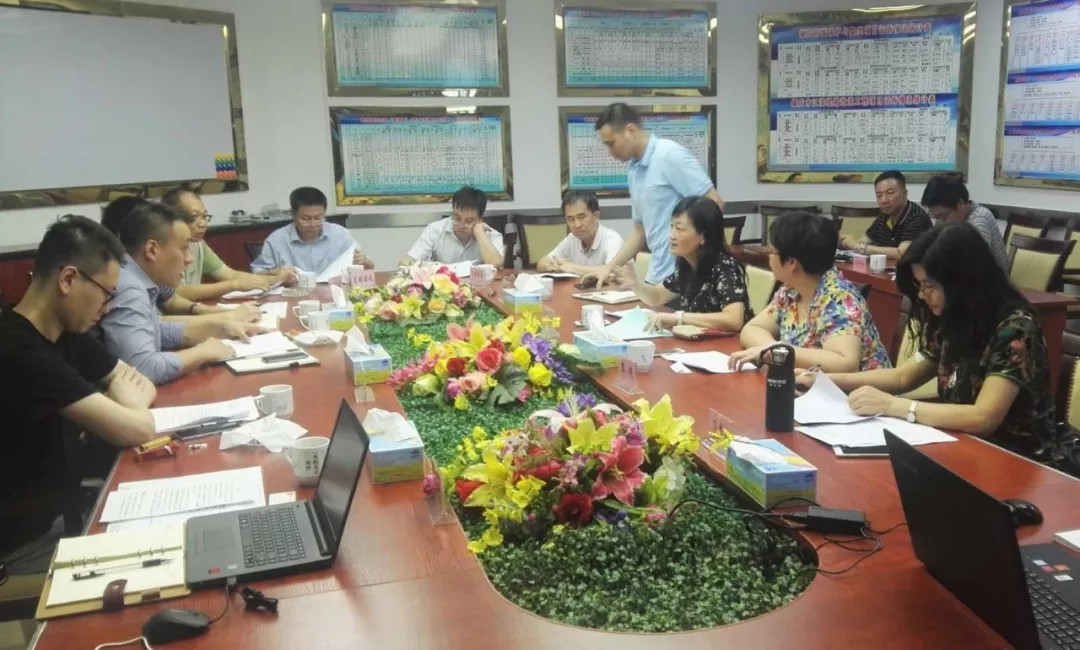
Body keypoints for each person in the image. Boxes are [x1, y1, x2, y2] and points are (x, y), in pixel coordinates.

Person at [798, 222, 1062, 467]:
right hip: (961, 447)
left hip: (1018, 461)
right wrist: (824, 380)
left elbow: (984, 417)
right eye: (919, 285)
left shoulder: (1016, 328)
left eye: (930, 286)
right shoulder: (956, 319)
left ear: (963, 283)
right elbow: (903, 377)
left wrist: (895, 406)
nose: (922, 296)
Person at [0, 216, 157, 575]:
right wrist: (129, 411)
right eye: (106, 293)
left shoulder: (65, 333)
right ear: (69, 279)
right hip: (29, 544)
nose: (107, 307)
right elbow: (138, 430)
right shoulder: (17, 350)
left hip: (69, 509)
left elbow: (140, 383)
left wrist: (128, 408)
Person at [96, 202, 261, 384]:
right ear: (152, 250)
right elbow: (143, 368)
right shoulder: (129, 288)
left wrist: (219, 327)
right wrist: (204, 352)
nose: (189, 258)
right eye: (184, 248)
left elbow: (153, 330)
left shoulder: (137, 277)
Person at [582, 103, 724, 288]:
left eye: (611, 144)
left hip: (687, 278)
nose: (610, 152)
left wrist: (695, 259)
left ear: (630, 130)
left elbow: (714, 204)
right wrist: (609, 267)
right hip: (657, 275)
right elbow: (640, 231)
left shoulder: (669, 155)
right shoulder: (634, 170)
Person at [730, 211, 890, 372]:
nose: (768, 257)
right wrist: (772, 349)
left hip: (856, 387)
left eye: (772, 251)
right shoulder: (790, 290)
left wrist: (777, 351)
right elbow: (752, 329)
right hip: (805, 383)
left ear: (792, 262)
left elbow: (844, 363)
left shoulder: (839, 299)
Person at [101, 196, 260, 323]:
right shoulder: (122, 282)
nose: (189, 258)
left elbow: (170, 299)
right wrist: (223, 318)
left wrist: (201, 310)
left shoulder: (145, 269)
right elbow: (155, 326)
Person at [612, 196, 751, 332]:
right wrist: (635, 284)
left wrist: (679, 318)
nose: (671, 235)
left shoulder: (726, 267)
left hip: (727, 344)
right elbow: (658, 296)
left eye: (680, 229)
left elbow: (734, 320)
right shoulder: (687, 265)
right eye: (672, 227)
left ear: (703, 236)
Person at [161, 188, 297, 299]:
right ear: (172, 218)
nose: (203, 224)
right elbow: (178, 292)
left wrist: (274, 277)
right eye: (194, 217)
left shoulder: (198, 244)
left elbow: (230, 274)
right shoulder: (164, 248)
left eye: (204, 216)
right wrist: (234, 285)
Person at [252, 186, 372, 275]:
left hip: (333, 293)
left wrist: (365, 261)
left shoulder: (340, 234)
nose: (313, 224)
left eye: (318, 218)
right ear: (293, 214)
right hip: (293, 294)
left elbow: (368, 267)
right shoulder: (276, 240)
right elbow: (257, 274)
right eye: (305, 219)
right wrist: (276, 273)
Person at [920, 172, 1009, 271]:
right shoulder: (948, 219)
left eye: (943, 216)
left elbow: (975, 265)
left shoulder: (979, 220)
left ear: (960, 203)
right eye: (935, 217)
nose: (940, 222)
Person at [400, 186, 505, 267]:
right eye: (457, 218)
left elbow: (496, 264)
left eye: (469, 221)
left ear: (480, 219)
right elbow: (407, 261)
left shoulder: (492, 235)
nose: (461, 225)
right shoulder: (434, 230)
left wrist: (480, 233)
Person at [839, 170, 931, 258]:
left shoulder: (917, 217)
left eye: (890, 193)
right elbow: (865, 241)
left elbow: (902, 253)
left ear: (905, 194)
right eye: (879, 195)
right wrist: (848, 243)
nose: (884, 200)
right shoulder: (885, 214)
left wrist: (858, 247)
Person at [536, 191, 624, 275]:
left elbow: (612, 273)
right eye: (571, 219)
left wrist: (573, 268)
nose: (577, 225)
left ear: (596, 216)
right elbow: (542, 263)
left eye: (582, 217)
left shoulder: (612, 240)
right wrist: (553, 266)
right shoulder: (572, 239)